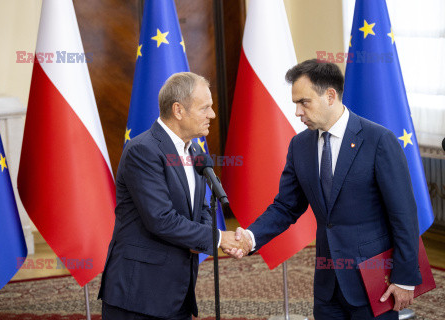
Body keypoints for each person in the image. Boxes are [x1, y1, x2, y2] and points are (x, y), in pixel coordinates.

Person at [226, 60, 422, 320]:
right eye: (295, 103)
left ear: (330, 96)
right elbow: (286, 206)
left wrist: (405, 278)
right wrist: (251, 237)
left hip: (375, 280)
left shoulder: (378, 141)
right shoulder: (299, 145)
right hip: (327, 284)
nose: (297, 111)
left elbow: (404, 215)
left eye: (304, 102)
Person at [98, 72, 249, 320]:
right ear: (178, 110)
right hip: (138, 295)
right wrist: (220, 238)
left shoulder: (195, 151)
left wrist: (204, 238)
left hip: (177, 293)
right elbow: (160, 219)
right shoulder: (143, 151)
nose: (212, 115)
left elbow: (202, 209)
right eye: (205, 108)